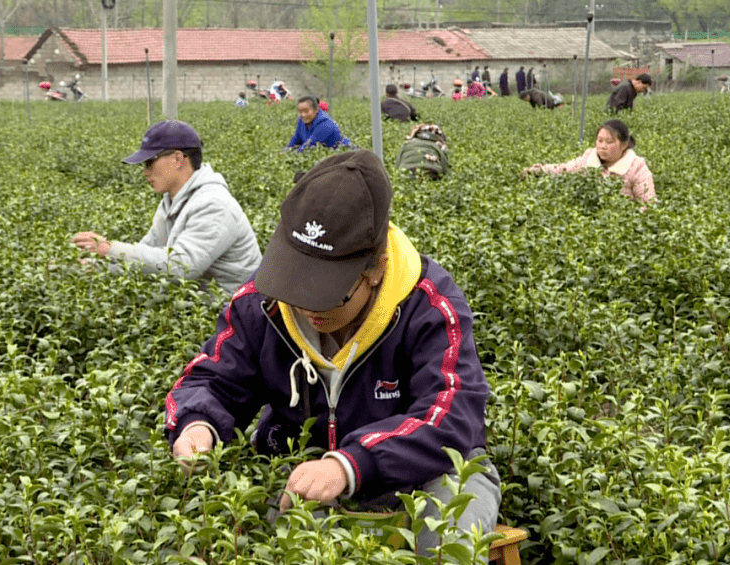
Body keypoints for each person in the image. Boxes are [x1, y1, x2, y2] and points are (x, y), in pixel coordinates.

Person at [166, 149, 500, 555]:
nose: (306, 306)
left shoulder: (428, 303)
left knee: (446, 541)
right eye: (296, 281)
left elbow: (451, 414)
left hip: (426, 472)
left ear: (374, 270)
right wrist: (196, 423)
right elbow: (212, 378)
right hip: (304, 471)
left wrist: (350, 464)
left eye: (325, 292)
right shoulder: (264, 300)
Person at [71, 120, 263, 295]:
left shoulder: (214, 205)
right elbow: (146, 254)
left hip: (233, 315)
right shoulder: (171, 201)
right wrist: (87, 267)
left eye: (150, 162)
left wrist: (110, 248)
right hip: (197, 305)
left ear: (178, 159)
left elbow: (182, 266)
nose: (145, 171)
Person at [523, 119, 656, 204]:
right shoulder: (588, 159)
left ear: (624, 145)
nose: (603, 146)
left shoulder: (637, 167)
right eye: (600, 140)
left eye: (609, 142)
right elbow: (564, 169)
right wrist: (538, 170)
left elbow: (648, 203)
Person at [286, 96, 352, 151]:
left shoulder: (325, 123)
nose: (303, 114)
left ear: (316, 110)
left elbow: (309, 146)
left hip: (343, 156)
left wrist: (289, 155)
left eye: (306, 111)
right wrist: (284, 152)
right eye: (300, 111)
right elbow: (295, 140)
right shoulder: (301, 120)